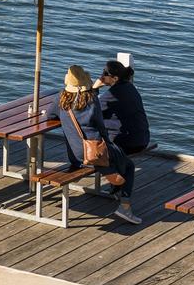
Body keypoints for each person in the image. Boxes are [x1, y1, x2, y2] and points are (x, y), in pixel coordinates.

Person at [44, 65, 141, 225]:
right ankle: (124, 206)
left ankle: (113, 179)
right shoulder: (91, 99)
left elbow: (50, 115)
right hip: (94, 151)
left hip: (75, 155)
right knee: (128, 165)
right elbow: (101, 128)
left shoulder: (61, 97)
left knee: (114, 160)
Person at [95, 60, 150, 155]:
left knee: (89, 125)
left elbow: (90, 109)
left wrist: (94, 88)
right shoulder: (130, 87)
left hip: (127, 144)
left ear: (115, 78)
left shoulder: (113, 94)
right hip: (143, 139)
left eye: (105, 73)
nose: (101, 76)